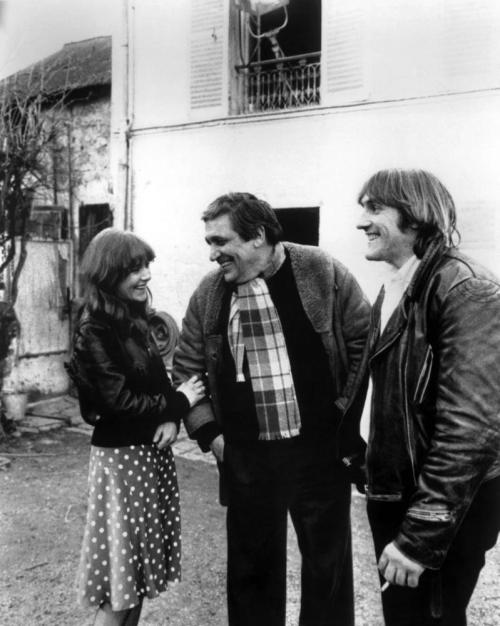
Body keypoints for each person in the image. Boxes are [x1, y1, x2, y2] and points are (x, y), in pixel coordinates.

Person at [174, 192, 370, 626]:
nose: (213, 254)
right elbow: (185, 368)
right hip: (246, 458)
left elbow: (362, 343)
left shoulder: (321, 270)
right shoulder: (210, 293)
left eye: (221, 241)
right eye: (209, 242)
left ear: (258, 235)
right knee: (250, 578)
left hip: (318, 454)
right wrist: (211, 436)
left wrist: (341, 416)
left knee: (327, 574)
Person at [356, 169, 500, 626]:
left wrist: (420, 536)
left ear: (415, 217)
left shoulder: (464, 287)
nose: (362, 221)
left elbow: (471, 428)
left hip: (440, 502)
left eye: (375, 208)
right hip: (401, 490)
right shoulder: (399, 283)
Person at [68, 228, 205, 626]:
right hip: (122, 461)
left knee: (137, 580)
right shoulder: (94, 328)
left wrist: (172, 418)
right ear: (109, 274)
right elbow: (120, 402)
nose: (145, 275)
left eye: (146, 266)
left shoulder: (132, 317)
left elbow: (157, 383)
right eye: (133, 269)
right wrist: (181, 401)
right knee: (119, 587)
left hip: (146, 458)